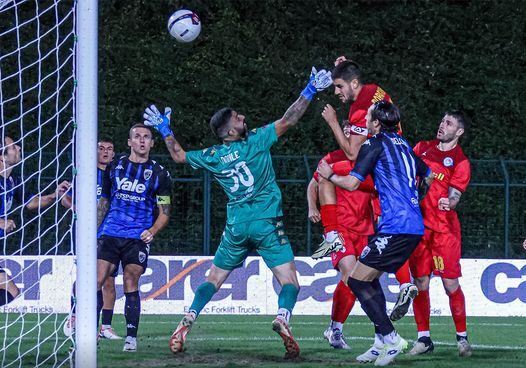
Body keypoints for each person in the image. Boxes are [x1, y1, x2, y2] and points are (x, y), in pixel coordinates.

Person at [143, 67, 332, 359]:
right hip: (267, 223)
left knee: (214, 278)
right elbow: (290, 118)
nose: (244, 118)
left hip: (236, 226)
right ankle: (282, 317)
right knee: (290, 282)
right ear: (231, 130)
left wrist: (165, 129)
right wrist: (309, 89)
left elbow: (179, 156)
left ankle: (189, 317)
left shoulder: (213, 156)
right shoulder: (256, 140)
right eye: (238, 118)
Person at [317, 101, 433, 366]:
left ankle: (391, 339)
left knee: (356, 281)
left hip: (395, 227)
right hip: (411, 226)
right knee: (367, 279)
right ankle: (380, 342)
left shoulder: (373, 143)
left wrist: (330, 175)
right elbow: (429, 175)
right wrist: (414, 197)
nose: (364, 121)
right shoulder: (403, 144)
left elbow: (352, 182)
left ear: (376, 123)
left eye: (367, 117)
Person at [313, 57, 417, 323]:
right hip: (400, 164)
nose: (336, 93)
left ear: (353, 83)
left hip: (379, 166)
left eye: (338, 87)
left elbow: (352, 151)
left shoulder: (359, 108)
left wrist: (334, 123)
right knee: (387, 232)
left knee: (327, 172)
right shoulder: (373, 89)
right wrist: (345, 63)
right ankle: (405, 284)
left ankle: (332, 234)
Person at [96, 124, 172, 352]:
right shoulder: (114, 167)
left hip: (137, 237)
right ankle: (85, 327)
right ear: (129, 142)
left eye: (146, 137)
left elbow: (165, 212)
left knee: (131, 279)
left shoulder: (160, 174)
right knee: (96, 280)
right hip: (110, 233)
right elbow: (104, 203)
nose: (141, 141)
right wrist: (94, 230)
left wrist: (153, 231)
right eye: (137, 137)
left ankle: (131, 337)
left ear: (151, 144)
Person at [407, 111, 472, 357]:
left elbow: (455, 194)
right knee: (420, 283)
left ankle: (462, 339)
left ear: (459, 131)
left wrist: (451, 202)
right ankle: (424, 338)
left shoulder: (460, 161)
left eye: (449, 123)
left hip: (444, 231)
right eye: (442, 120)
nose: (441, 125)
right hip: (420, 229)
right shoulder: (422, 148)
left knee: (450, 284)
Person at [62, 138, 121, 340]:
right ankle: (75, 316)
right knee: (87, 278)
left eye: (109, 149)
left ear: (113, 154)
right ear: (95, 152)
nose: (105, 152)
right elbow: (65, 198)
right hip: (89, 236)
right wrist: (78, 210)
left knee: (109, 282)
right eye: (101, 148)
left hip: (112, 235)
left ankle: (106, 326)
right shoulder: (85, 175)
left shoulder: (117, 176)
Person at [0, 135, 70, 305]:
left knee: (12, 292)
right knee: (11, 290)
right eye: (13, 146)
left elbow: (31, 203)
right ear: (2, 155)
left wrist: (55, 195)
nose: (19, 148)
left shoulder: (12, 181)